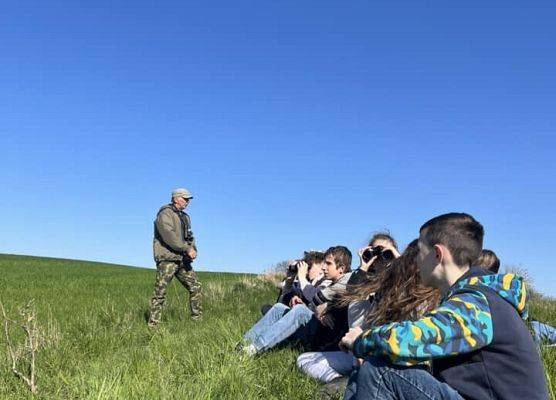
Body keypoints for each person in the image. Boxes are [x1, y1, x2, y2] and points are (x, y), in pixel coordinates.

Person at [340, 212, 549, 400]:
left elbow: (410, 339)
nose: (416, 261)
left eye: (420, 252)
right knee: (372, 364)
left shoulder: (479, 303)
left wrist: (361, 339)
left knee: (381, 371)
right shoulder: (473, 297)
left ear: (438, 255)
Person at [298, 238, 439, 387]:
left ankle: (355, 380)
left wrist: (399, 264)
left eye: (386, 253)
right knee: (304, 360)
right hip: (359, 351)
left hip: (389, 354)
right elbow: (346, 297)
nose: (379, 257)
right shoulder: (367, 281)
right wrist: (362, 269)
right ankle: (341, 380)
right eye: (374, 252)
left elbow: (418, 308)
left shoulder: (418, 286)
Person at [241, 246, 352, 356]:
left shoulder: (344, 282)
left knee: (300, 310)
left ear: (341, 268)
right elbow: (317, 304)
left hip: (327, 338)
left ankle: (254, 348)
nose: (324, 268)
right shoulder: (332, 281)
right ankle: (244, 342)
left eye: (328, 264)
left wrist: (302, 277)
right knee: (279, 307)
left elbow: (316, 298)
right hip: (318, 327)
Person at [147, 188, 202, 326]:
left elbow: (190, 236)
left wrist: (193, 248)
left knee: (196, 287)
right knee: (160, 292)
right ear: (176, 198)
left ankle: (197, 320)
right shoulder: (165, 214)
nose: (187, 202)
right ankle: (153, 325)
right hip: (167, 259)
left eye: (188, 199)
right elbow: (169, 236)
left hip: (182, 260)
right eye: (185, 199)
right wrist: (187, 248)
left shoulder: (185, 217)